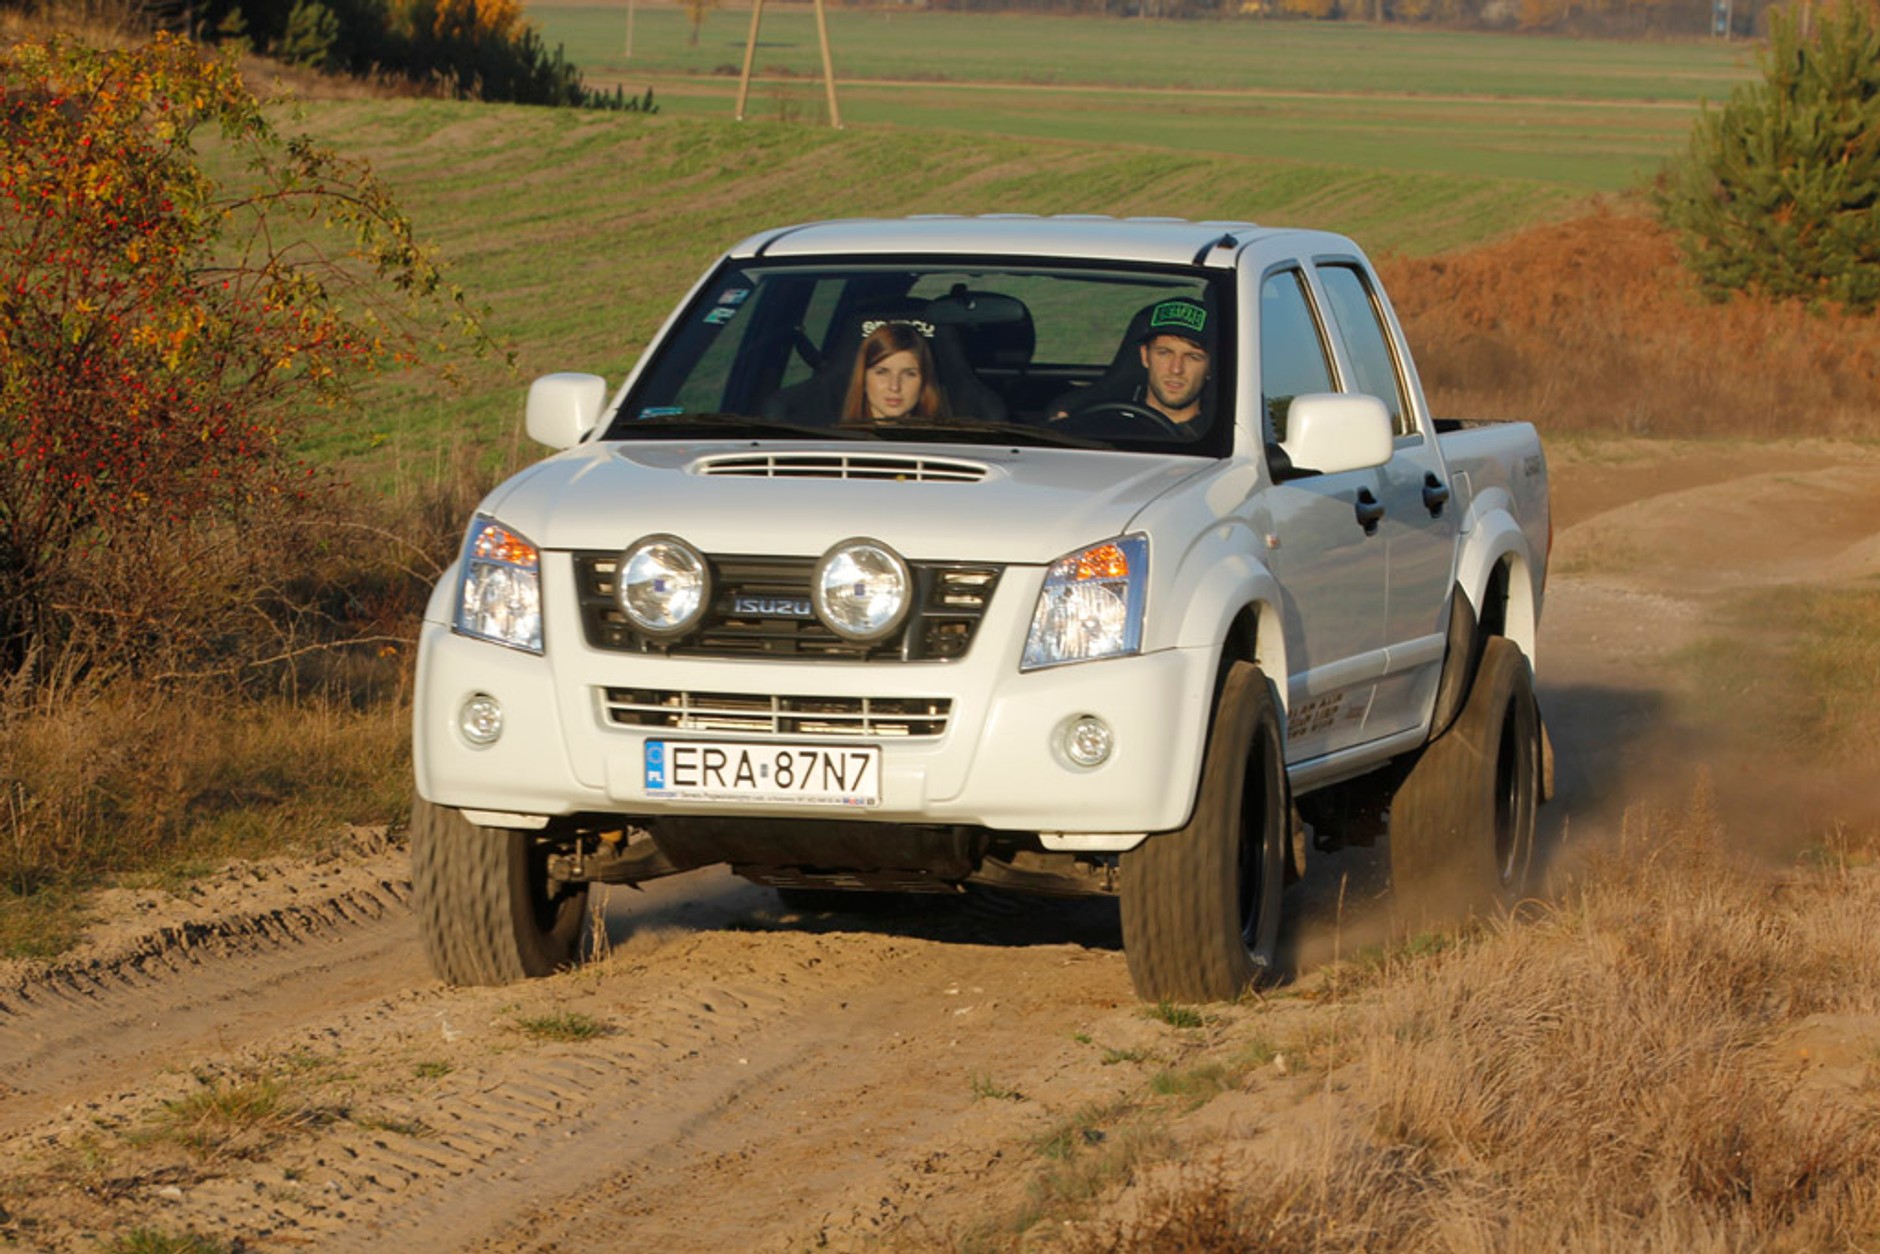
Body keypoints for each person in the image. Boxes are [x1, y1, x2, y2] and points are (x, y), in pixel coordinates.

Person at [1056, 296, 1214, 436]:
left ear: (1211, 367)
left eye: (1193, 357)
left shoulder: (1223, 439)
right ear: (1145, 356)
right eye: (1164, 353)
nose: (1176, 369)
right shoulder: (1102, 424)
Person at [842, 321, 949, 423]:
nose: (894, 387)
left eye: (909, 374)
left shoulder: (946, 442)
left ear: (924, 382)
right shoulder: (834, 440)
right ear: (863, 378)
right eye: (882, 372)